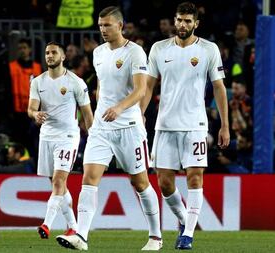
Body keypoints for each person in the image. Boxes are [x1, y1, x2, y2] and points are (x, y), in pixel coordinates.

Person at [56, 7, 162, 251]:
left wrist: (119, 108)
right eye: (100, 25)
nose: (103, 30)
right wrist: (95, 117)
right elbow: (102, 86)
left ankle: (156, 236)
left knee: (140, 183)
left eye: (107, 25)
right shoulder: (98, 53)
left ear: (120, 26)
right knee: (88, 179)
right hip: (102, 128)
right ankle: (81, 235)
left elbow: (141, 90)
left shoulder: (135, 52)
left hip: (129, 128)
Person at [141, 2, 230, 250]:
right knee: (165, 182)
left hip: (195, 124)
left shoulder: (208, 49)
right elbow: (148, 86)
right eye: (179, 20)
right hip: (165, 124)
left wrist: (224, 125)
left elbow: (219, 88)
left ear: (196, 24)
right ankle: (183, 219)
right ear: (174, 20)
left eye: (188, 21)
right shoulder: (159, 49)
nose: (182, 25)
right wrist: (140, 113)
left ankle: (188, 234)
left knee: (194, 176)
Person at [28, 42, 94, 240]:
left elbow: (88, 115)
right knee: (58, 184)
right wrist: (35, 114)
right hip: (47, 136)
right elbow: (31, 108)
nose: (49, 56)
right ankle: (72, 227)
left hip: (67, 137)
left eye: (54, 52)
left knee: (58, 180)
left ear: (63, 56)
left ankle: (46, 224)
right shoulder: (38, 82)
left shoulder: (76, 82)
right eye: (47, 52)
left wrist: (93, 143)